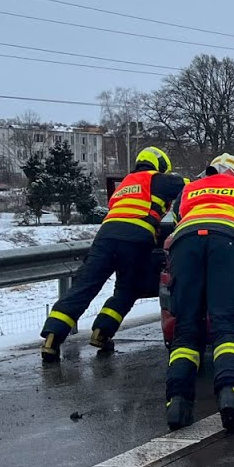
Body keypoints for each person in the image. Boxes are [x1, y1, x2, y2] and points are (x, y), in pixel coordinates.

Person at [39, 147, 186, 363]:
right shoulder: (157, 179)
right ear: (160, 166)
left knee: (84, 286)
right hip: (136, 240)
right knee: (128, 289)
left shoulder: (125, 184)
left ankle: (52, 338)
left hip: (105, 238)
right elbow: (194, 188)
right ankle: (102, 333)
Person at [164, 153, 234, 431]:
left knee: (187, 328)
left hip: (186, 245)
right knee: (227, 325)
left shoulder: (189, 189)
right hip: (227, 244)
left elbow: (180, 219)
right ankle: (229, 394)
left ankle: (177, 404)